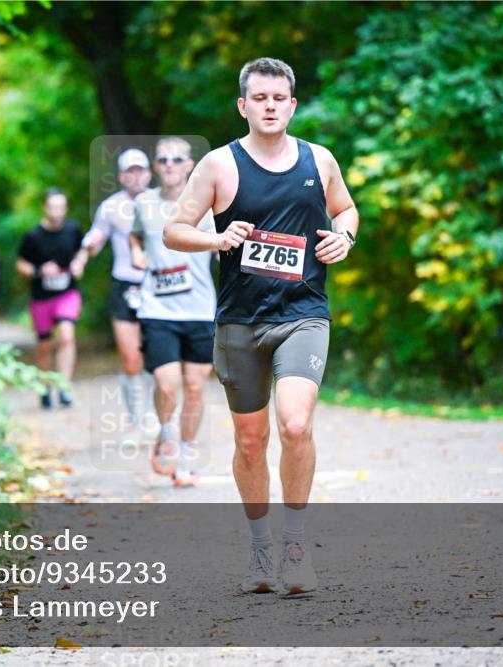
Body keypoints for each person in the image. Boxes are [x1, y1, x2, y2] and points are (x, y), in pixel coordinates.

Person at [163, 57, 359, 594]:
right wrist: (218, 240)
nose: (270, 106)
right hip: (240, 321)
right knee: (251, 442)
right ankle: (260, 549)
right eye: (260, 98)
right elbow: (174, 231)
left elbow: (345, 210)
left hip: (303, 314)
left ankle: (295, 545)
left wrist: (345, 237)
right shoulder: (218, 165)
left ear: (292, 105)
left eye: (280, 98)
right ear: (243, 105)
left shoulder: (319, 160)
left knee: (295, 425)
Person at [129, 137, 217, 488]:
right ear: (156, 166)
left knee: (195, 388)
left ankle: (187, 453)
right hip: (157, 308)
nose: (169, 164)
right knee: (167, 384)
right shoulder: (144, 204)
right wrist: (138, 253)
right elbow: (136, 237)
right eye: (162, 159)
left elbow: (221, 246)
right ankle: (166, 430)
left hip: (199, 308)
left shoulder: (208, 208)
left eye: (176, 159)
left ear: (189, 165)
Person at [81, 148, 153, 437]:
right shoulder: (111, 207)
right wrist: (86, 250)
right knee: (130, 358)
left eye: (140, 170)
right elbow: (95, 238)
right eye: (129, 171)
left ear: (148, 174)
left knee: (156, 354)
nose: (135, 176)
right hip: (124, 285)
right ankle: (135, 419)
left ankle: (151, 413)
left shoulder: (160, 203)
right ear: (122, 176)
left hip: (157, 286)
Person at [16, 188, 87, 408]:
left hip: (67, 293)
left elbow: (84, 249)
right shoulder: (33, 236)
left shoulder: (73, 229)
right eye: (52, 207)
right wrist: (39, 271)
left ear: (65, 209)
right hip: (41, 298)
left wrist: (79, 264)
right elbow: (21, 264)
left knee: (67, 335)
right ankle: (46, 386)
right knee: (44, 345)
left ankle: (64, 387)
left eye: (60, 207)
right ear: (45, 208)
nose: (56, 211)